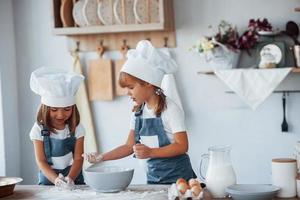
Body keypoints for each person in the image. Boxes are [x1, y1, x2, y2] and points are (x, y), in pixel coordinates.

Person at [83, 40, 196, 184]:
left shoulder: (171, 109)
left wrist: (151, 152)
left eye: (130, 87)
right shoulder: (138, 113)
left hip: (180, 181)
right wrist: (101, 157)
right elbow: (129, 146)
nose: (127, 93)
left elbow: (182, 146)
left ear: (148, 82)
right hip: (154, 180)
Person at [29, 67, 85, 188]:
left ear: (73, 108)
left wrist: (70, 179)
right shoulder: (38, 130)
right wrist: (57, 180)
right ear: (45, 108)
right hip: (48, 181)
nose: (61, 115)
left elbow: (78, 159)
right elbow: (41, 161)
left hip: (74, 179)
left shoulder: (77, 128)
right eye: (54, 109)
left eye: (67, 109)